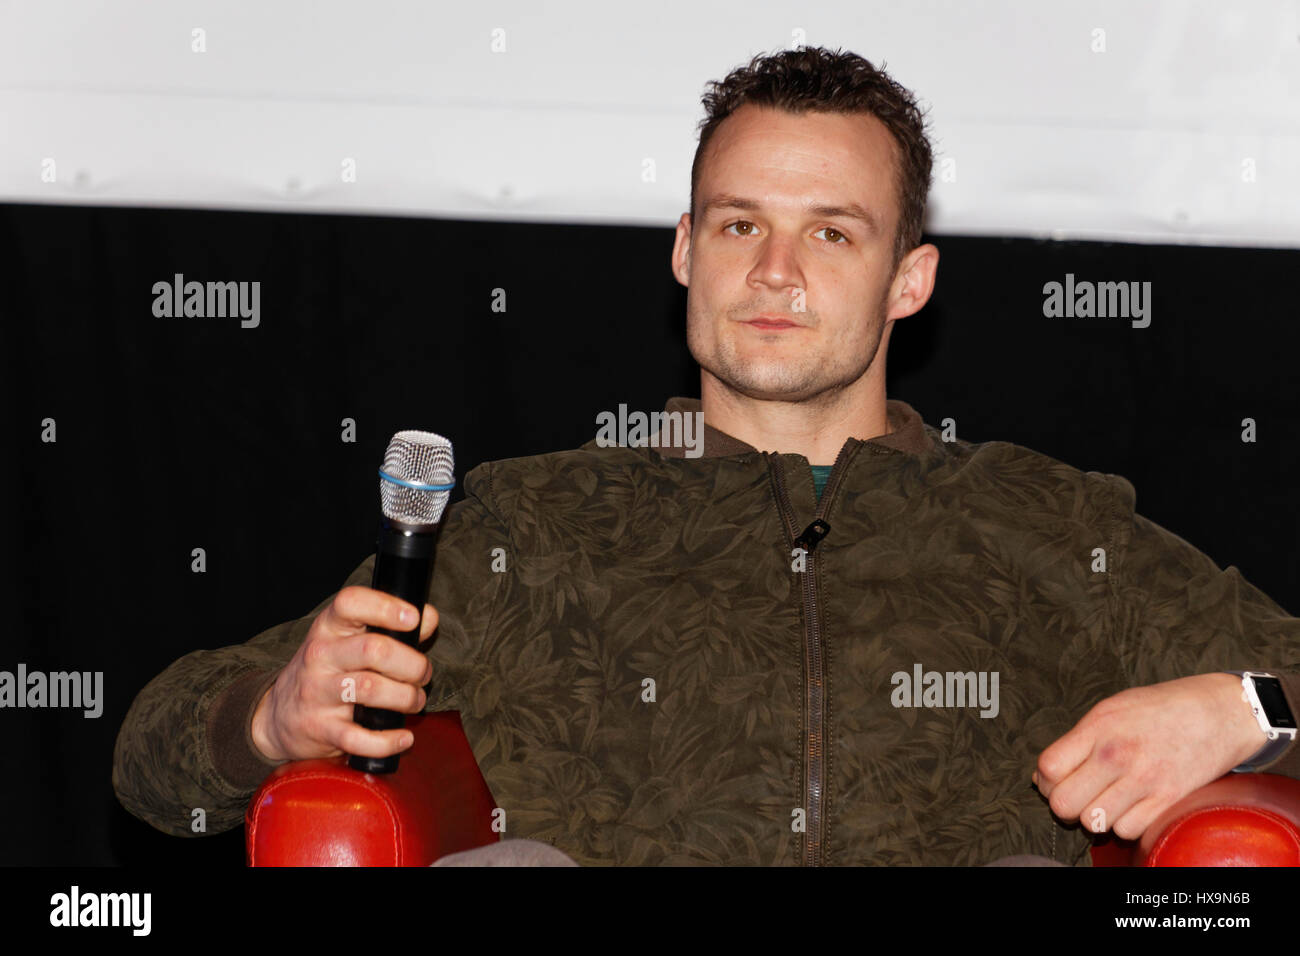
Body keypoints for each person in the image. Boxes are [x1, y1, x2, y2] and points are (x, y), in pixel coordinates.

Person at [113, 46, 1300, 866]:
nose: (774, 272)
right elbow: (150, 754)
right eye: (740, 224)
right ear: (685, 249)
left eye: (830, 232)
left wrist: (1249, 708)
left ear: (910, 280)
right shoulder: (531, 523)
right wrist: (270, 720)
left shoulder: (1043, 518)